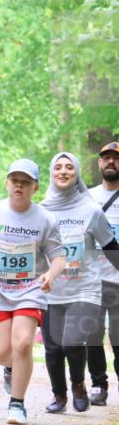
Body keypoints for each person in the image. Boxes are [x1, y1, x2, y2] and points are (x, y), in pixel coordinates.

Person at [0, 158, 66, 425]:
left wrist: (51, 274)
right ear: (7, 183)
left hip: (30, 290)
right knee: (1, 352)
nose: (19, 186)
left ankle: (17, 404)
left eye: (25, 182)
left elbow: (58, 256)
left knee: (22, 343)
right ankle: (13, 367)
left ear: (35, 187)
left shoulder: (45, 218)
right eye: (15, 181)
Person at [40, 152, 119, 413]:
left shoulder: (91, 210)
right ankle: (59, 396)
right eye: (58, 167)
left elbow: (111, 248)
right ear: (51, 173)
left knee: (72, 342)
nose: (63, 171)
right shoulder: (41, 210)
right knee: (52, 349)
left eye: (69, 167)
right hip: (51, 290)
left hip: (85, 289)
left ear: (76, 175)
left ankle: (79, 386)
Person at [87, 141, 119, 405]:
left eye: (116, 158)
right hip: (92, 279)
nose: (111, 162)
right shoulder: (87, 197)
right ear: (99, 163)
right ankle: (98, 385)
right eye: (106, 158)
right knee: (92, 333)